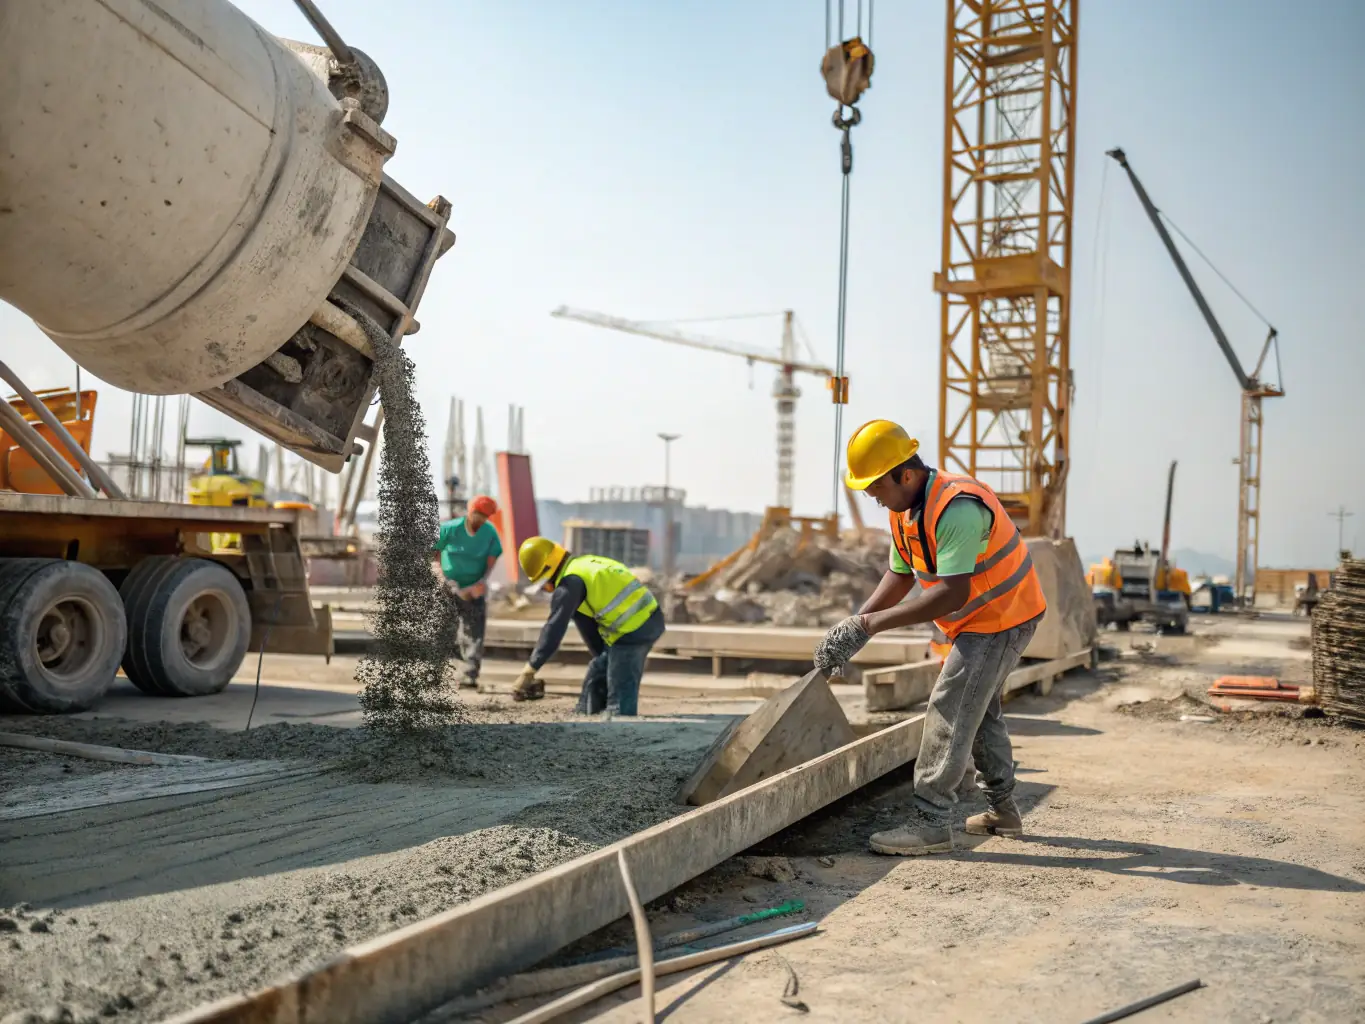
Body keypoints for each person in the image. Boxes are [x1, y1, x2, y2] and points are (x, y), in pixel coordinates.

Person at [814, 419, 1047, 856]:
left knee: (950, 706)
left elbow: (952, 592)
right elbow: (900, 574)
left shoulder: (956, 508)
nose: (872, 496)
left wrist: (871, 626)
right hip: (978, 619)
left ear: (906, 475)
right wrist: (857, 625)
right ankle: (1003, 811)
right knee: (979, 710)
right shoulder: (904, 510)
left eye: (876, 486)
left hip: (1003, 616)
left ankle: (931, 822)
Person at [514, 537, 665, 714]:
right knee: (599, 669)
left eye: (545, 583)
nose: (548, 589)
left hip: (634, 630)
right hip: (644, 620)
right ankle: (586, 714)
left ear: (549, 569)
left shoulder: (569, 584)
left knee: (619, 696)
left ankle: (620, 721)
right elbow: (587, 628)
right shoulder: (582, 566)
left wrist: (530, 669)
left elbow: (554, 629)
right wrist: (603, 658)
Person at [430, 495, 502, 689]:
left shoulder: (489, 533)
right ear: (470, 511)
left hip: (473, 590)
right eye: (478, 514)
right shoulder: (449, 529)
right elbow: (433, 555)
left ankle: (469, 674)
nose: (480, 519)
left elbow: (492, 559)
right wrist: (442, 579)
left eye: (485, 516)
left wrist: (481, 582)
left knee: (474, 633)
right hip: (447, 588)